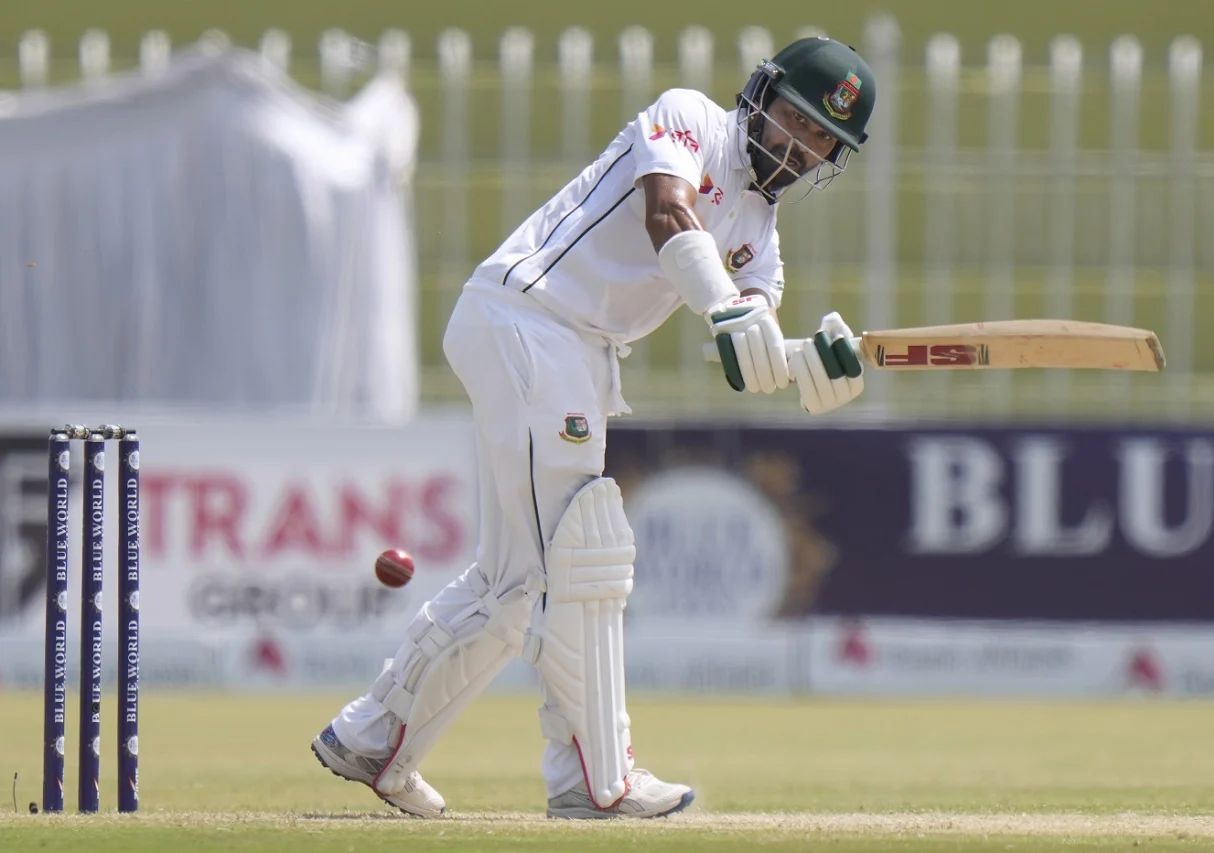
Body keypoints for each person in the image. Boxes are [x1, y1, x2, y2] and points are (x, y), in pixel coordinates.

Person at [311, 35, 875, 819]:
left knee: (513, 589)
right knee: (586, 553)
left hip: (570, 351)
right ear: (762, 95)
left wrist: (810, 364)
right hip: (527, 318)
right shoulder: (690, 118)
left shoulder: (761, 235)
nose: (800, 145)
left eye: (823, 140)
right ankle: (594, 779)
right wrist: (731, 312)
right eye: (795, 119)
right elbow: (667, 210)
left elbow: (751, 349)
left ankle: (373, 735)